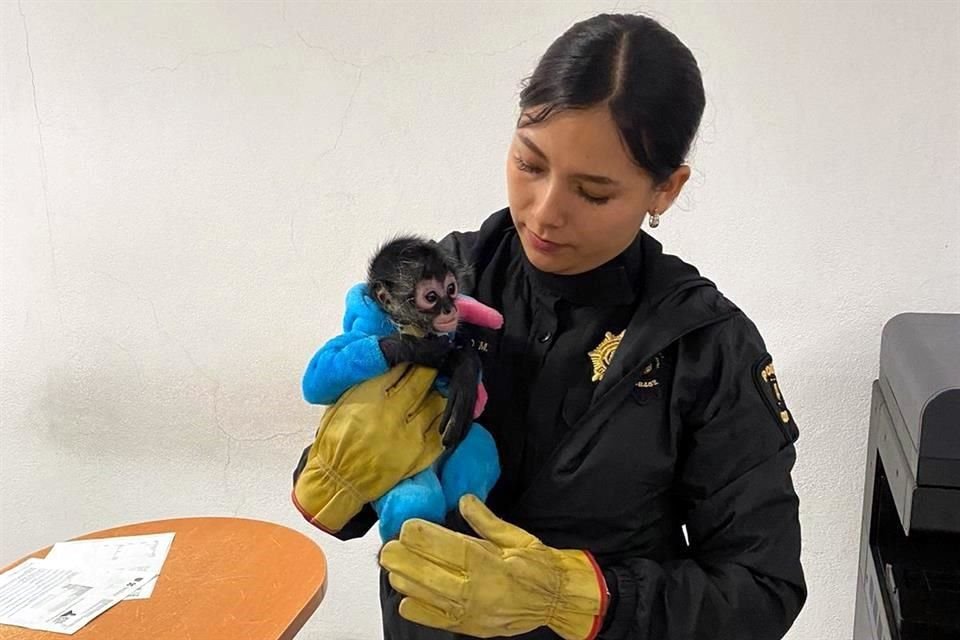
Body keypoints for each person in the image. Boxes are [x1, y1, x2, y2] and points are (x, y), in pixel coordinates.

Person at [307, 12, 806, 640]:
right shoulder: (445, 278)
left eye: (593, 193)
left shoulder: (704, 343)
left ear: (666, 190)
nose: (545, 213)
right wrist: (341, 460)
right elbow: (346, 514)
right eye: (529, 163)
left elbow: (761, 589)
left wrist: (575, 597)